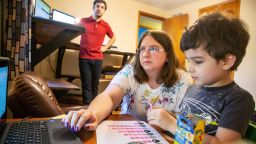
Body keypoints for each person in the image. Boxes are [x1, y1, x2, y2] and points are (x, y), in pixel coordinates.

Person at [147, 12, 255, 143]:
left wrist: (171, 125)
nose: (190, 68)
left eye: (198, 61)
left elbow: (221, 143)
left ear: (226, 61)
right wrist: (165, 118)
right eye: (188, 60)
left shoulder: (238, 99)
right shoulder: (192, 89)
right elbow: (188, 122)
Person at [61, 30, 192, 132]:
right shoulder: (130, 72)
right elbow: (110, 97)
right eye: (142, 49)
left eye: (153, 48)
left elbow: (189, 121)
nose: (145, 54)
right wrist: (93, 113)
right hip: (127, 134)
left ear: (168, 55)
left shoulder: (184, 79)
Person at [78, 0, 116, 105]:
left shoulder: (105, 25)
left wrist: (105, 47)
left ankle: (94, 107)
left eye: (102, 7)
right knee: (86, 84)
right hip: (84, 58)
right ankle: (87, 108)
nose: (99, 8)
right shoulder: (83, 21)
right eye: (97, 6)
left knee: (95, 85)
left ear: (104, 11)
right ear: (93, 7)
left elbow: (113, 38)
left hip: (98, 59)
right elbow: (73, 30)